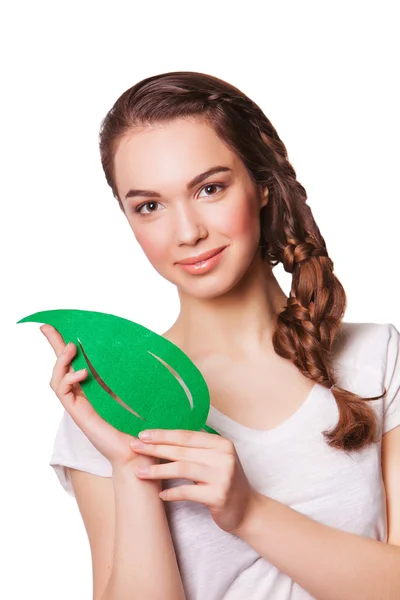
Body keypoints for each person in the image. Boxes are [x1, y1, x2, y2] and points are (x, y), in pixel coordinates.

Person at [42, 71, 400, 600]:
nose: (187, 232)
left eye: (210, 188)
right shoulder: (108, 400)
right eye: (149, 205)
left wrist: (249, 512)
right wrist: (131, 465)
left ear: (260, 185)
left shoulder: (378, 359)